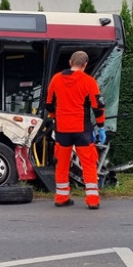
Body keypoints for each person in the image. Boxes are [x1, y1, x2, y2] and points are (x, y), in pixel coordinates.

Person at [44, 50, 106, 209]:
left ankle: (61, 197)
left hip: (62, 129)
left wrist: (54, 116)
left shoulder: (56, 79)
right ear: (85, 65)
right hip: (82, 130)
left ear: (70, 62)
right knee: (88, 163)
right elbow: (97, 107)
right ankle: (92, 200)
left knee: (62, 163)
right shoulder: (89, 81)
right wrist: (100, 126)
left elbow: (49, 103)